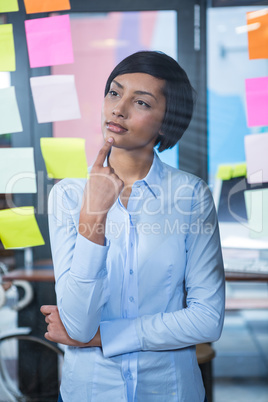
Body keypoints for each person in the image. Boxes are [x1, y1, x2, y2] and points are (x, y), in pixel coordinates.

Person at [41, 50, 225, 402]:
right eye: (114, 92)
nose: (118, 109)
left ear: (167, 121)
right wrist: (93, 217)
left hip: (171, 390)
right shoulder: (67, 196)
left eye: (140, 102)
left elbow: (207, 320)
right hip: (91, 391)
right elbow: (77, 324)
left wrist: (104, 337)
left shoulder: (191, 195)